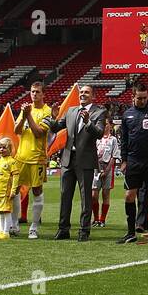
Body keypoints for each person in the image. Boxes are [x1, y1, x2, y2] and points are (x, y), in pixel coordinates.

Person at [47, 83, 106, 240]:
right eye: (81, 92)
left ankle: (84, 230)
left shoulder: (99, 112)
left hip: (85, 160)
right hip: (67, 158)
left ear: (93, 96)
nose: (83, 94)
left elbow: (99, 133)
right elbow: (55, 128)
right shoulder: (71, 110)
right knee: (65, 195)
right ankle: (63, 229)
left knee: (86, 197)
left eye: (87, 92)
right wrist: (54, 117)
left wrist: (88, 122)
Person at [117, 82, 148, 244]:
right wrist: (124, 160)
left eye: (145, 98)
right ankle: (131, 232)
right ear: (133, 97)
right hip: (133, 161)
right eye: (139, 98)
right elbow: (124, 139)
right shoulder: (127, 115)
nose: (143, 101)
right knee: (129, 195)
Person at [13, 81, 51, 238]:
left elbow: (39, 133)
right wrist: (23, 116)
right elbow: (16, 130)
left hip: (37, 158)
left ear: (43, 94)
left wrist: (28, 115)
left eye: (37, 92)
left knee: (37, 191)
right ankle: (14, 225)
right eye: (32, 91)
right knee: (14, 190)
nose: (34, 94)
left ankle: (34, 227)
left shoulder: (47, 112)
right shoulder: (25, 109)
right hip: (21, 157)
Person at [0, 138, 20, 240]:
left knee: (6, 211)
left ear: (10, 149)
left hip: (6, 191)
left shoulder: (12, 162)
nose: (1, 149)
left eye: (4, 148)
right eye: (0, 147)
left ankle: (6, 232)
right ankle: (1, 230)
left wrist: (13, 190)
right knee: (0, 211)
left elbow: (16, 177)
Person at [92, 118, 118, 228]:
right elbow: (93, 153)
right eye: (103, 124)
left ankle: (102, 219)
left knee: (106, 194)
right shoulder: (96, 139)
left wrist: (106, 170)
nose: (104, 126)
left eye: (106, 124)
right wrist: (99, 169)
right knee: (94, 194)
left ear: (110, 126)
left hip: (108, 167)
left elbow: (114, 155)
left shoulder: (113, 139)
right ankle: (96, 219)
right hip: (96, 167)